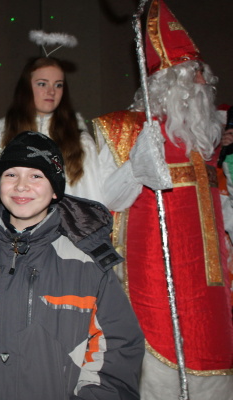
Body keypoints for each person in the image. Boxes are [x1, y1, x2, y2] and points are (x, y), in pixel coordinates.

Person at [0, 131, 144, 399]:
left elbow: (116, 351)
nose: (21, 186)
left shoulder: (87, 262)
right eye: (11, 174)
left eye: (36, 176)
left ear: (55, 189)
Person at [93, 0, 233, 398]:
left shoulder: (206, 141)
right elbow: (105, 201)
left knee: (216, 362)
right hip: (155, 276)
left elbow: (221, 206)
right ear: (168, 84)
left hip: (211, 282)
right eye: (194, 75)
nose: (203, 84)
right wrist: (137, 167)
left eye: (203, 75)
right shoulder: (126, 130)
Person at [0, 57, 104, 204]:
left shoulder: (80, 142)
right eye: (42, 84)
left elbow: (92, 198)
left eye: (58, 85)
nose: (51, 91)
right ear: (26, 88)